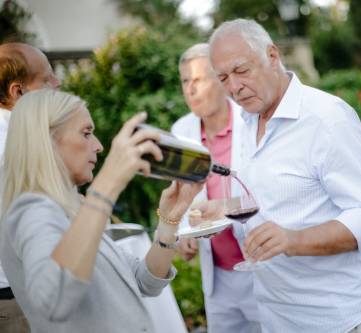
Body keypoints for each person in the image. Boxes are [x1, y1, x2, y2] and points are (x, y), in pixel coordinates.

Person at [208, 19, 361, 332]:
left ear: (273, 55)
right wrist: (215, 213)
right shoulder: (247, 119)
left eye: (241, 70)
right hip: (276, 316)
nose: (234, 87)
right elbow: (265, 195)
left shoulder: (325, 117)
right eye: (223, 77)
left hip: (337, 317)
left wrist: (293, 240)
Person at [0, 89, 202, 332]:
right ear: (46, 139)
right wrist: (107, 186)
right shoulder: (31, 209)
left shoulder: (73, 208)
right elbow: (54, 300)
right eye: (86, 134)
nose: (98, 146)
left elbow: (144, 280)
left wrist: (170, 220)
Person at [171, 43, 260, 333]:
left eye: (198, 80)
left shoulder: (253, 122)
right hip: (217, 277)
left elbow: (270, 191)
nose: (190, 89)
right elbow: (180, 192)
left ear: (221, 81)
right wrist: (183, 231)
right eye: (185, 81)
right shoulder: (181, 132)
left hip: (260, 267)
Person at [0, 42, 61, 333]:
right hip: (14, 299)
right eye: (47, 78)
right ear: (18, 92)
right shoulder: (12, 147)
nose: (57, 83)